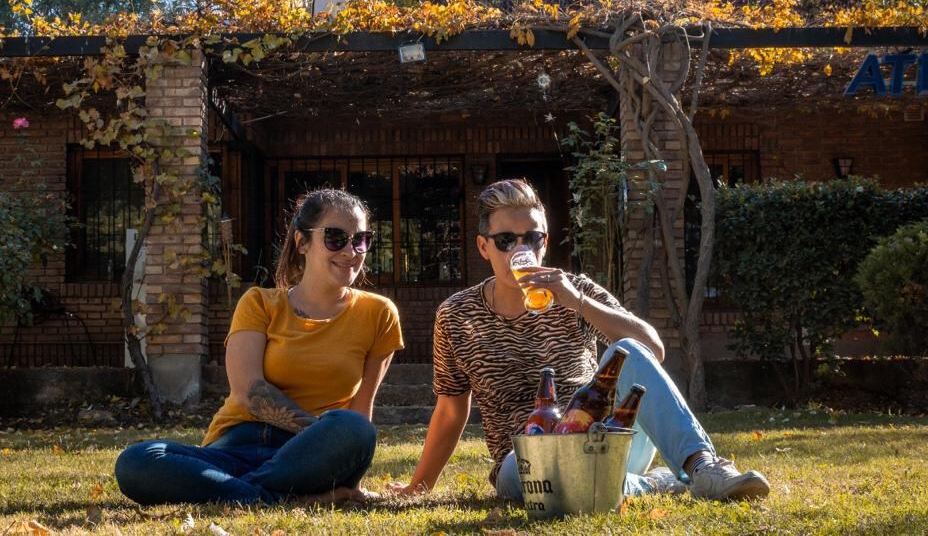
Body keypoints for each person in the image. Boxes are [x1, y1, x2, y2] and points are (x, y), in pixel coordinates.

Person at [388, 179, 769, 502]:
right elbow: (451, 411)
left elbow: (651, 349)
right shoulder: (457, 315)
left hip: (606, 438)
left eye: (531, 238)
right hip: (525, 461)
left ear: (545, 241)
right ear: (483, 247)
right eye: (505, 240)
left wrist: (577, 301)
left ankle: (703, 468)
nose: (520, 251)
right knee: (534, 471)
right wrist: (418, 486)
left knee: (628, 350)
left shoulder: (574, 290)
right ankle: (652, 485)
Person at [115, 189, 404, 505]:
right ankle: (280, 498)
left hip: (308, 460)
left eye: (361, 239)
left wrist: (343, 459)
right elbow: (249, 393)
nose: (351, 251)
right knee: (137, 459)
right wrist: (315, 429)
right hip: (235, 447)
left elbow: (363, 409)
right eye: (336, 238)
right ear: (301, 242)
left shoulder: (379, 313)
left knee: (355, 428)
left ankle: (230, 492)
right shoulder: (259, 303)